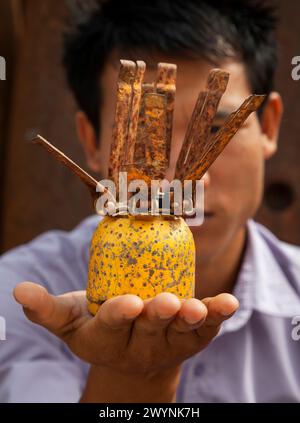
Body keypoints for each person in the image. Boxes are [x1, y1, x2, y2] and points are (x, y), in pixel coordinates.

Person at [0, 0, 299, 403]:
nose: (185, 180)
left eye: (217, 129)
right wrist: (132, 378)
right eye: (145, 136)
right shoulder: (16, 295)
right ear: (90, 141)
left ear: (269, 125)